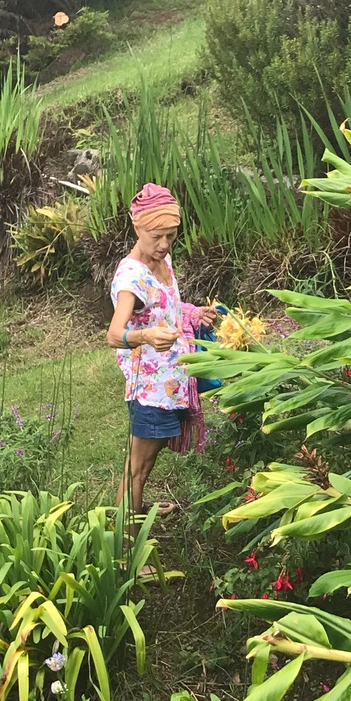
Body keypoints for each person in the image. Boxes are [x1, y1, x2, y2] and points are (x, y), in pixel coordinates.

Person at [106, 183, 218, 518]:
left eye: (170, 235)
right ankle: (126, 552)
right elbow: (114, 334)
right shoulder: (132, 278)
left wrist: (193, 312)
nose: (164, 244)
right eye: (157, 235)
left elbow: (166, 305)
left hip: (171, 383)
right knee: (136, 469)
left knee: (148, 462)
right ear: (137, 226)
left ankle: (138, 512)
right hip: (149, 391)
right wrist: (147, 335)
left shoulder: (163, 260)